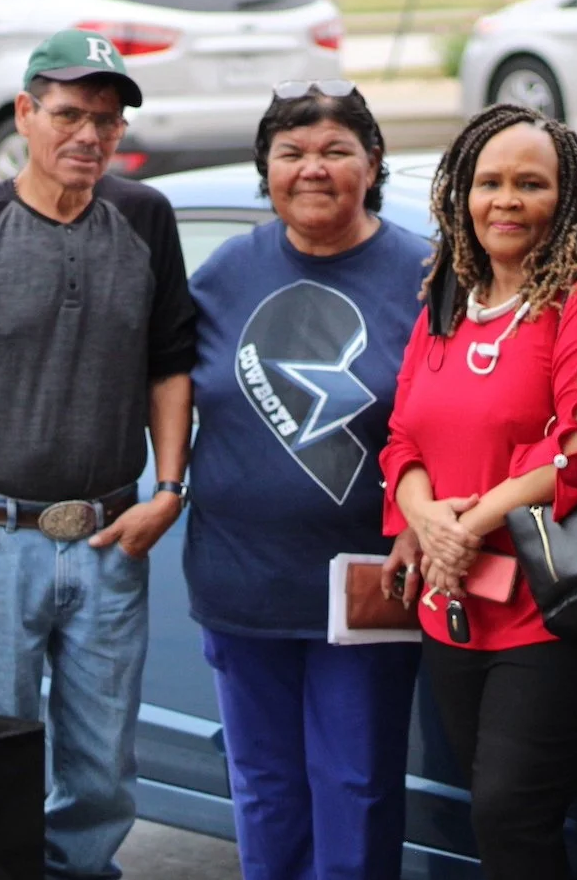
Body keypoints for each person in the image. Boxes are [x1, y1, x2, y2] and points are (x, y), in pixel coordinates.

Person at [0, 29, 196, 880]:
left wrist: (169, 488)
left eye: (105, 120)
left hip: (109, 537)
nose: (88, 135)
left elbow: (170, 366)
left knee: (101, 770)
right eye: (68, 114)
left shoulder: (145, 218)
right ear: (25, 113)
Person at [377, 104, 577, 880]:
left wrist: (471, 521)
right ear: (460, 193)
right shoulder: (447, 301)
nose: (505, 199)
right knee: (494, 822)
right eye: (488, 181)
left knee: (510, 812)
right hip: (452, 602)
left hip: (549, 609)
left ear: (566, 199)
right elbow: (400, 436)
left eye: (530, 184)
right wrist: (427, 519)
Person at [182, 80, 429, 880]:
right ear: (267, 169)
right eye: (290, 152)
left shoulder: (425, 275)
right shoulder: (226, 271)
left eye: (334, 151)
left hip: (367, 582)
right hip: (240, 578)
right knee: (265, 791)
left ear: (372, 162)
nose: (311, 168)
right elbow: (164, 386)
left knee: (356, 787)